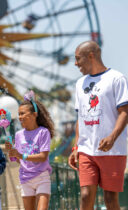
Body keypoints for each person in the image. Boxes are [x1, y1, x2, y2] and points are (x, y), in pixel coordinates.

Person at [68, 41, 128, 210]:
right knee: (86, 196)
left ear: (91, 56)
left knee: (110, 199)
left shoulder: (117, 78)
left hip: (113, 149)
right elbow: (80, 117)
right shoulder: (80, 84)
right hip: (87, 149)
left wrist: (112, 137)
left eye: (78, 58)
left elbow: (125, 111)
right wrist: (76, 148)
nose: (75, 63)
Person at [6, 91, 55, 210]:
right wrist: (12, 153)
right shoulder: (18, 135)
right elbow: (18, 160)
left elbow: (43, 156)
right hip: (25, 178)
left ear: (34, 114)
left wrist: (21, 155)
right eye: (18, 114)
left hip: (41, 177)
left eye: (22, 113)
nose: (19, 117)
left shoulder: (43, 132)